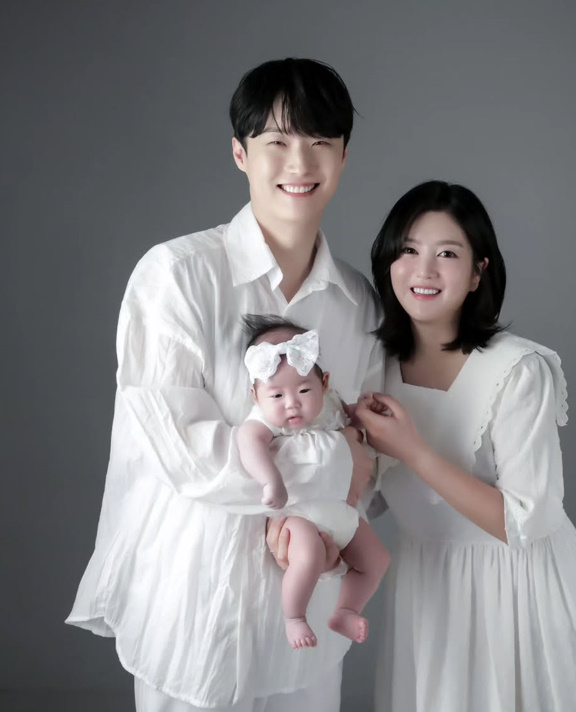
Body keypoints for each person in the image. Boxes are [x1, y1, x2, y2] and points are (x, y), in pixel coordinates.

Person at [65, 58, 382, 712]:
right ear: (241, 153)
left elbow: (372, 457)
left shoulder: (359, 305)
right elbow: (186, 450)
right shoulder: (176, 276)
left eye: (320, 141)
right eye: (277, 142)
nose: (300, 162)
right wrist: (332, 466)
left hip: (305, 618)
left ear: (344, 155)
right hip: (193, 603)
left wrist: (341, 510)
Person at [355, 180, 576, 712]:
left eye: (447, 254)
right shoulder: (373, 366)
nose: (424, 270)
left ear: (478, 271)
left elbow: (527, 519)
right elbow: (368, 496)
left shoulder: (519, 370)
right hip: (427, 591)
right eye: (408, 250)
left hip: (518, 590)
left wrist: (414, 451)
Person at [237, 316, 389, 650]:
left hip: (342, 512)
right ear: (255, 395)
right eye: (276, 394)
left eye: (304, 390)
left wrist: (362, 412)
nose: (292, 403)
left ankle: (346, 611)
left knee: (377, 560)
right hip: (299, 514)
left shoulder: (329, 403)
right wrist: (270, 480)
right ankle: (294, 616)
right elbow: (249, 442)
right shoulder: (263, 420)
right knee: (307, 556)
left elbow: (349, 418)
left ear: (325, 384)